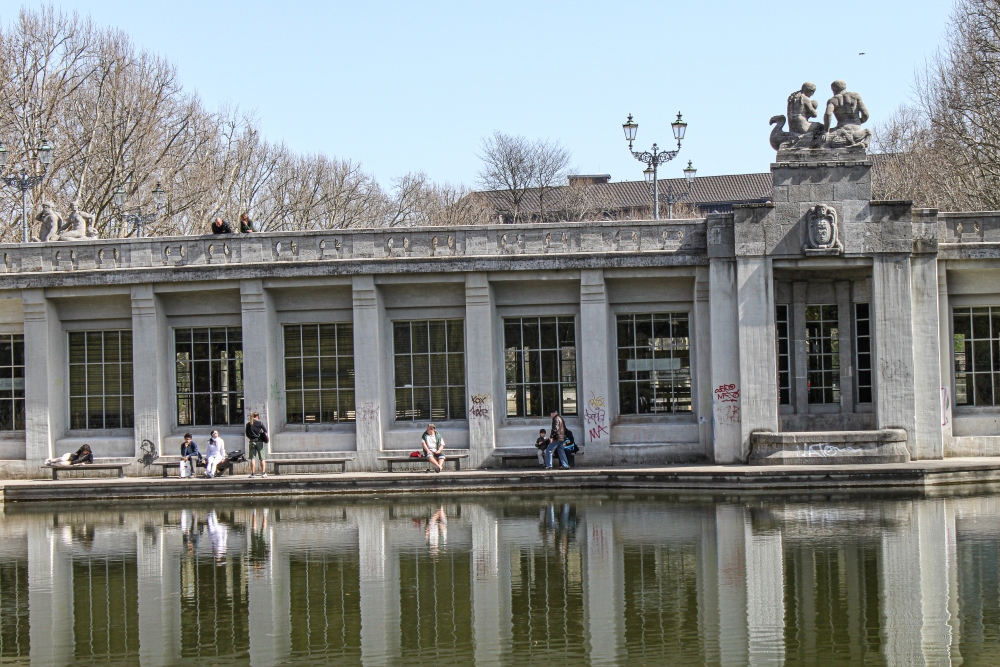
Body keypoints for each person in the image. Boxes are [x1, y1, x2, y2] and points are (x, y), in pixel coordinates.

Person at [245, 411, 268, 478]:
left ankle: (252, 473)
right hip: (259, 441)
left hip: (252, 441)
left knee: (252, 458)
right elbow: (265, 431)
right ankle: (263, 473)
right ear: (257, 416)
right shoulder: (260, 423)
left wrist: (251, 438)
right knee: (262, 458)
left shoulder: (248, 424)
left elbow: (247, 434)